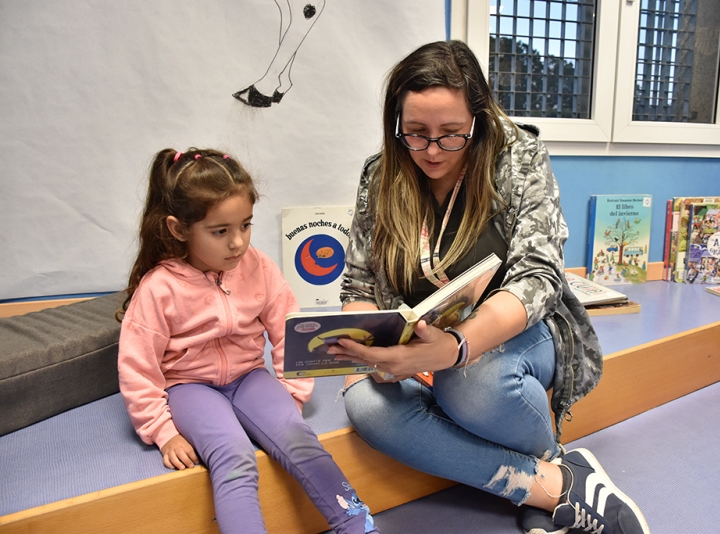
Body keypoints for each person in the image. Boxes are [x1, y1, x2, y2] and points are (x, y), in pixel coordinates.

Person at [329, 41, 651, 534]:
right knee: (366, 406)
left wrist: (455, 349)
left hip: (520, 335)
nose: (432, 151)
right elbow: (359, 282)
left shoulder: (519, 160)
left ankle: (546, 468)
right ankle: (557, 483)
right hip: (417, 341)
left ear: (478, 120)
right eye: (415, 134)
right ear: (397, 125)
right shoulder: (380, 175)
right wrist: (370, 352)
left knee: (471, 383)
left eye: (451, 134)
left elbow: (538, 277)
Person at [116, 148, 378, 534]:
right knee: (234, 456)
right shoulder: (159, 288)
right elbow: (138, 365)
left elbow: (290, 327)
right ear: (179, 229)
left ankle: (357, 526)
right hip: (189, 387)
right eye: (220, 231)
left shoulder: (258, 266)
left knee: (300, 438)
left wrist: (292, 391)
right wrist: (162, 430)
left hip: (250, 377)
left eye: (246, 225)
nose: (237, 243)